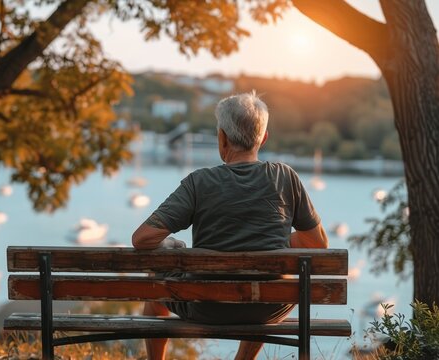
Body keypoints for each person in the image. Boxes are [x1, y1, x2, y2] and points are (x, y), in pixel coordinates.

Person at [132, 91, 329, 360]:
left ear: (222, 137)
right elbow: (318, 244)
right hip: (269, 307)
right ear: (264, 138)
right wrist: (277, 244)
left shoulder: (198, 183)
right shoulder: (286, 177)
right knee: (269, 287)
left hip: (207, 306)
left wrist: (170, 245)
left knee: (156, 283)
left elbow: (142, 239)